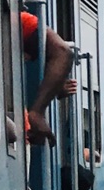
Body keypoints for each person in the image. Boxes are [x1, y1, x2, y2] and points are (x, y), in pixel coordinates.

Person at [20, 10, 76, 145]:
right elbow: (62, 51)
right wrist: (38, 111)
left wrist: (54, 85)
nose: (25, 59)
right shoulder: (12, 16)